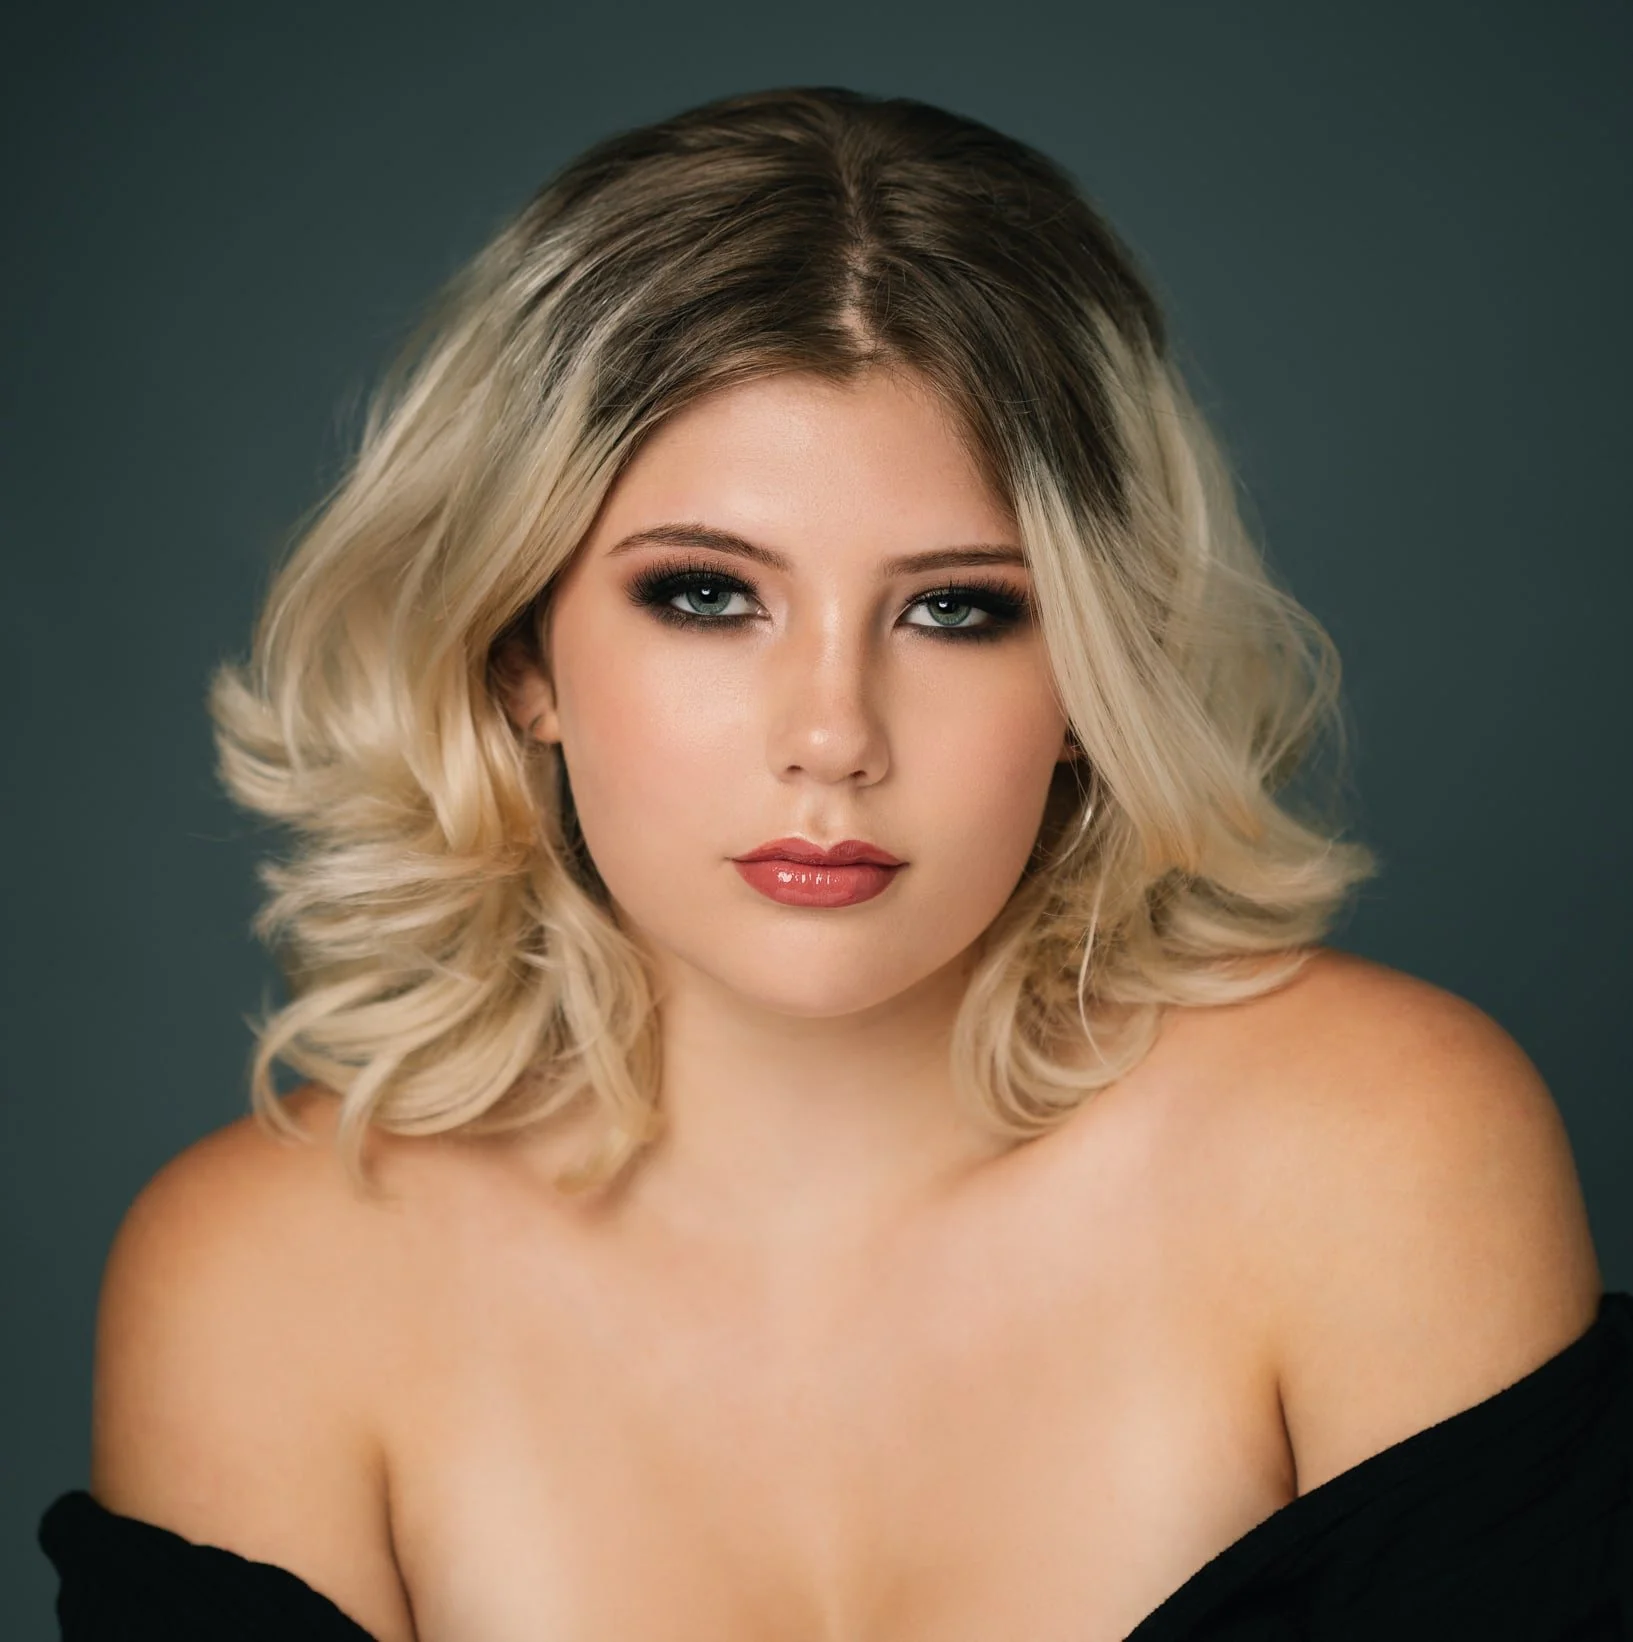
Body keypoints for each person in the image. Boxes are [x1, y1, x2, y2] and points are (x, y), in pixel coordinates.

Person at [38, 85, 1628, 1641]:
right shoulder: (265, 1280)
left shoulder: (1377, 1154)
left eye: (958, 609)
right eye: (708, 596)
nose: (833, 736)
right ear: (519, 648)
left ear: (1090, 675)